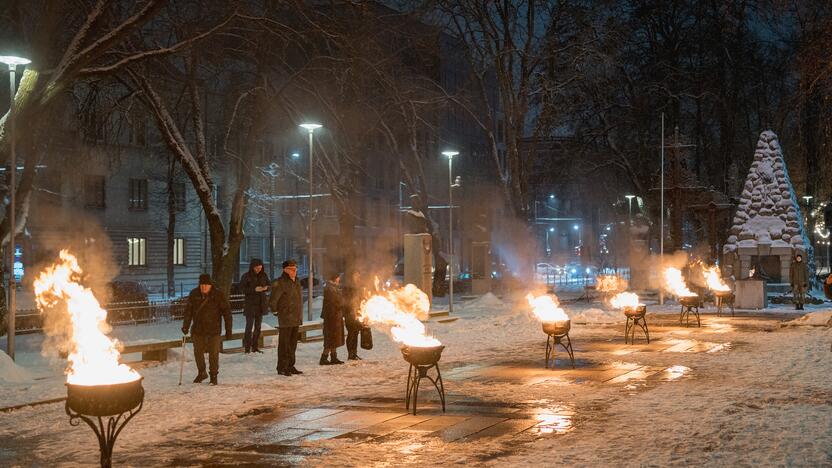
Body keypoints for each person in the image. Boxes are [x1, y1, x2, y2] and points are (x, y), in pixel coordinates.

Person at [182, 274, 232, 385]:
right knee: (198, 352)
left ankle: (214, 375)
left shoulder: (218, 295)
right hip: (198, 329)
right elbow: (188, 311)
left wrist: (229, 330)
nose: (204, 287)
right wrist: (186, 325)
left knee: (213, 353)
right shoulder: (194, 294)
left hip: (214, 329)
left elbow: (227, 313)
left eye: (206, 285)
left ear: (210, 285)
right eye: (202, 285)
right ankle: (202, 372)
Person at [270, 259, 303, 376]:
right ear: (285, 270)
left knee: (293, 344)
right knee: (285, 344)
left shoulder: (296, 281)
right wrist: (276, 311)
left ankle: (290, 365)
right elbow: (273, 300)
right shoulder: (281, 282)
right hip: (286, 318)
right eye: (292, 269)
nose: (295, 271)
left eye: (295, 269)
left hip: (295, 317)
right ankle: (282, 367)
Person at [240, 258, 270, 354]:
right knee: (249, 327)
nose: (259, 270)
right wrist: (254, 289)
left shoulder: (264, 275)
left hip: (261, 305)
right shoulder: (246, 276)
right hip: (250, 305)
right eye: (257, 268)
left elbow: (270, 285)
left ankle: (255, 347)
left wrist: (266, 288)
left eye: (260, 268)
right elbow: (241, 288)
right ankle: (247, 348)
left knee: (258, 327)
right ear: (252, 267)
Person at [320, 272, 345, 365]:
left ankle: (334, 357)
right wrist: (342, 304)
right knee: (330, 338)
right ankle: (324, 358)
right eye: (338, 278)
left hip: (335, 316)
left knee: (334, 338)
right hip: (331, 317)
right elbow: (336, 302)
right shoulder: (330, 288)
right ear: (335, 278)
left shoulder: (333, 287)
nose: (339, 280)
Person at [341, 270, 365, 360]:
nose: (358, 277)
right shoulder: (347, 287)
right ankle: (350, 354)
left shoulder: (360, 287)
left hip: (358, 314)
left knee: (356, 333)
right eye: (355, 275)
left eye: (359, 275)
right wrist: (350, 310)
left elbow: (362, 299)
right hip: (349, 314)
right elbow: (345, 301)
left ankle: (354, 353)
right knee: (351, 333)